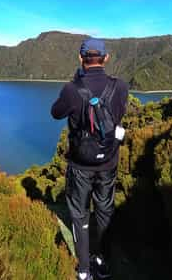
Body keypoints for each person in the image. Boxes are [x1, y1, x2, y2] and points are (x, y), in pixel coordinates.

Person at [51, 38, 129, 280]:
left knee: (79, 214)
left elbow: (56, 113)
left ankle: (84, 270)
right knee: (105, 210)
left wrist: (76, 84)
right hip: (108, 162)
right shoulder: (121, 86)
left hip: (80, 165)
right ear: (105, 58)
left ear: (80, 58)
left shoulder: (71, 89)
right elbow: (120, 112)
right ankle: (103, 263)